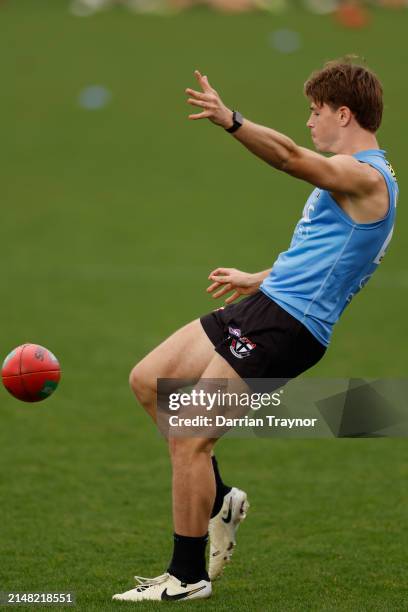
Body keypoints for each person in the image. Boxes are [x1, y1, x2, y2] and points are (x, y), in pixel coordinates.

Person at [112, 58, 398, 602]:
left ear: (344, 113)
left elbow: (290, 157)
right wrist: (258, 276)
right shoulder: (355, 181)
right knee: (150, 381)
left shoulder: (366, 178)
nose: (310, 122)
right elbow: (331, 257)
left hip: (288, 326)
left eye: (316, 112)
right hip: (268, 303)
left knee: (191, 438)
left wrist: (231, 121)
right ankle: (219, 500)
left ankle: (187, 575)